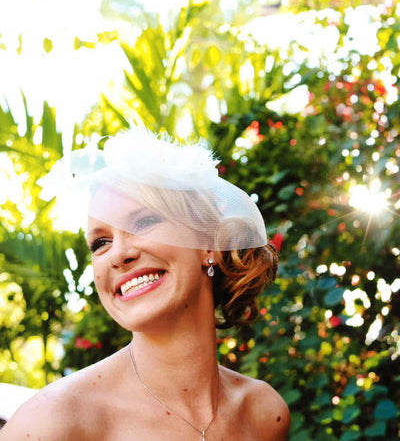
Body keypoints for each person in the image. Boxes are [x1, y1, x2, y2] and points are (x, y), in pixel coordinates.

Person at [0, 127, 290, 440]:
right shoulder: (51, 423)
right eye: (101, 243)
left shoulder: (264, 413)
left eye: (145, 222)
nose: (119, 254)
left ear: (209, 245)